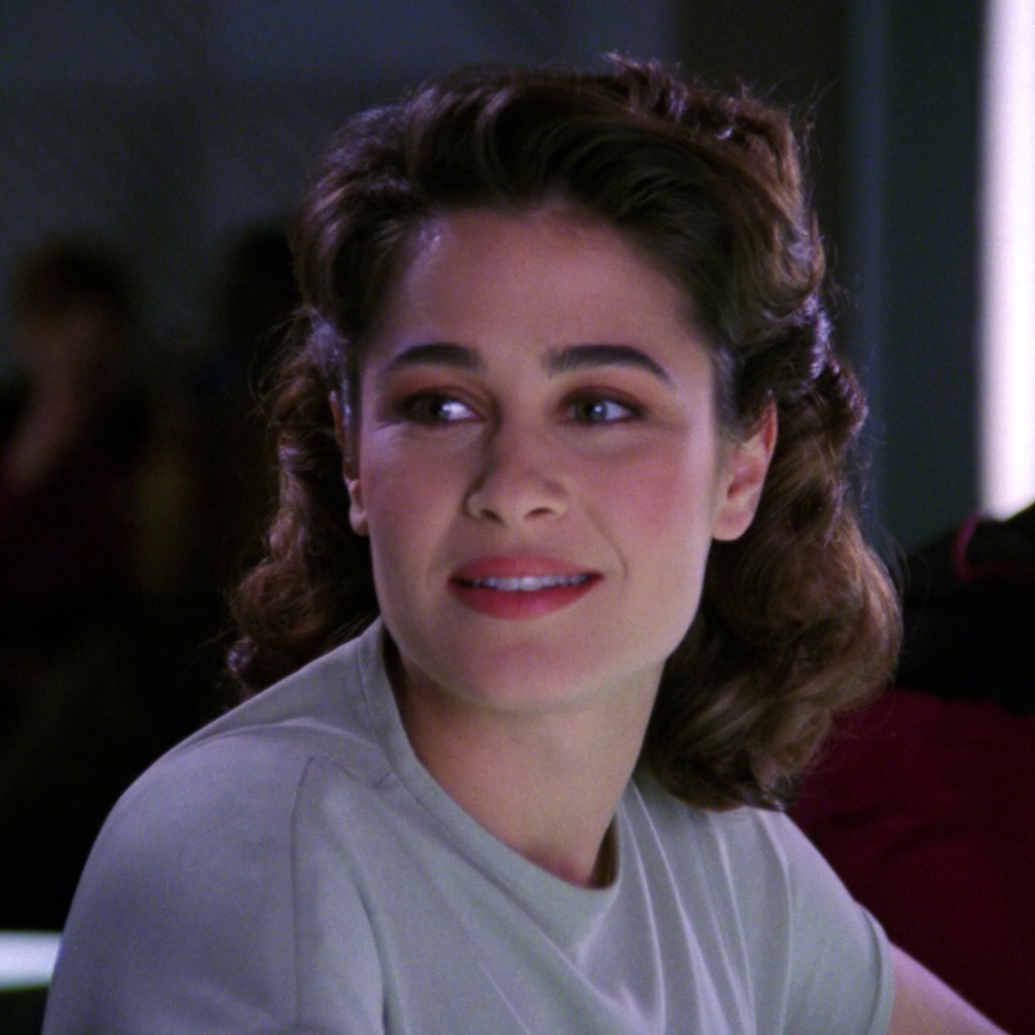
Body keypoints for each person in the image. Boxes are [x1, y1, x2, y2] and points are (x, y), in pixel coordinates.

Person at [43, 58, 1004, 1033]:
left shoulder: (723, 866)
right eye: (440, 407)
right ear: (353, 455)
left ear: (741, 467)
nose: (509, 489)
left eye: (599, 408)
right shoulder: (252, 860)